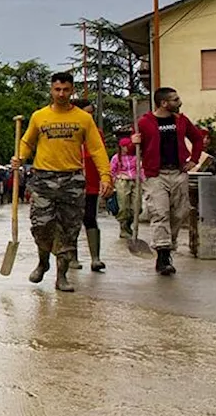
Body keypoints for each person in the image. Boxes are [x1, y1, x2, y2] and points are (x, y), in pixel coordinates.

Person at [11, 72, 112, 292]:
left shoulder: (83, 119)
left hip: (72, 180)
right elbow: (27, 142)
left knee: (69, 230)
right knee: (41, 226)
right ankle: (43, 261)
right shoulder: (40, 116)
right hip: (43, 179)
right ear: (51, 90)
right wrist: (19, 157)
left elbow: (96, 149)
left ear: (72, 90)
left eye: (66, 90)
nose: (61, 94)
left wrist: (106, 175)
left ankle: (61, 276)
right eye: (57, 89)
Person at [132, 87, 206, 275]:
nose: (179, 102)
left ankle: (167, 244)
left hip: (178, 172)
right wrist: (134, 142)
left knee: (180, 213)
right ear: (164, 103)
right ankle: (163, 256)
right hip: (156, 175)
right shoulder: (145, 123)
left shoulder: (181, 120)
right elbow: (134, 152)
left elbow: (198, 139)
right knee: (160, 213)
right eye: (175, 99)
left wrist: (194, 160)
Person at [74, 99, 105, 272]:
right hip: (71, 183)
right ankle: (71, 257)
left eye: (92, 113)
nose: (90, 116)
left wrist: (106, 178)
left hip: (91, 183)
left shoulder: (96, 133)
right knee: (71, 221)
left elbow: (101, 156)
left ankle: (95, 258)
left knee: (90, 217)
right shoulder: (69, 132)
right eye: (87, 112)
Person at [110, 136, 139, 239]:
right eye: (124, 147)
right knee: (123, 206)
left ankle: (129, 224)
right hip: (122, 181)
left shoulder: (136, 157)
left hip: (135, 181)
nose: (126, 148)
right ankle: (123, 227)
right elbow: (111, 172)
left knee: (137, 207)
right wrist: (111, 184)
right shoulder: (116, 158)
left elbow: (141, 169)